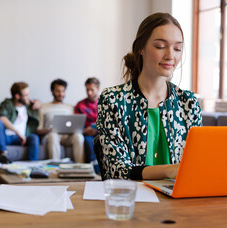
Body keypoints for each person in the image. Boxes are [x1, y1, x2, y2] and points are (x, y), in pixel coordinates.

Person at [96, 12, 202, 180]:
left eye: (177, 48)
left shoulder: (189, 103)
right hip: (132, 200)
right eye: (160, 46)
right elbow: (117, 170)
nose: (170, 55)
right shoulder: (113, 100)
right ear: (140, 48)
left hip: (179, 201)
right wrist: (168, 170)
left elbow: (197, 164)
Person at [36, 79, 84, 163]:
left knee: (79, 136)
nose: (61, 94)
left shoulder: (70, 107)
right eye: (58, 91)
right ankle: (55, 167)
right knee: (53, 135)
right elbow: (38, 130)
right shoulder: (43, 107)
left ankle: (80, 166)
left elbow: (74, 123)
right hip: (50, 135)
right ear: (52, 91)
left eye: (63, 91)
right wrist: (49, 130)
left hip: (67, 136)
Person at [0, 82, 40, 162]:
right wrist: (18, 133)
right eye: (26, 95)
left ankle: (32, 165)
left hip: (23, 139)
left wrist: (39, 102)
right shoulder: (7, 104)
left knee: (34, 138)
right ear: (17, 96)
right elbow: (1, 118)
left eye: (29, 94)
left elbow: (39, 103)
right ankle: (3, 154)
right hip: (7, 137)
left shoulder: (28, 106)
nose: (29, 97)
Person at [74, 77, 100, 166]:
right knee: (89, 142)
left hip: (102, 133)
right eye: (87, 90)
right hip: (87, 134)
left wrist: (97, 128)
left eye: (92, 90)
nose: (89, 93)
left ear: (98, 89)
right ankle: (94, 169)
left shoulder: (105, 103)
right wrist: (84, 130)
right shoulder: (80, 105)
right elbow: (75, 125)